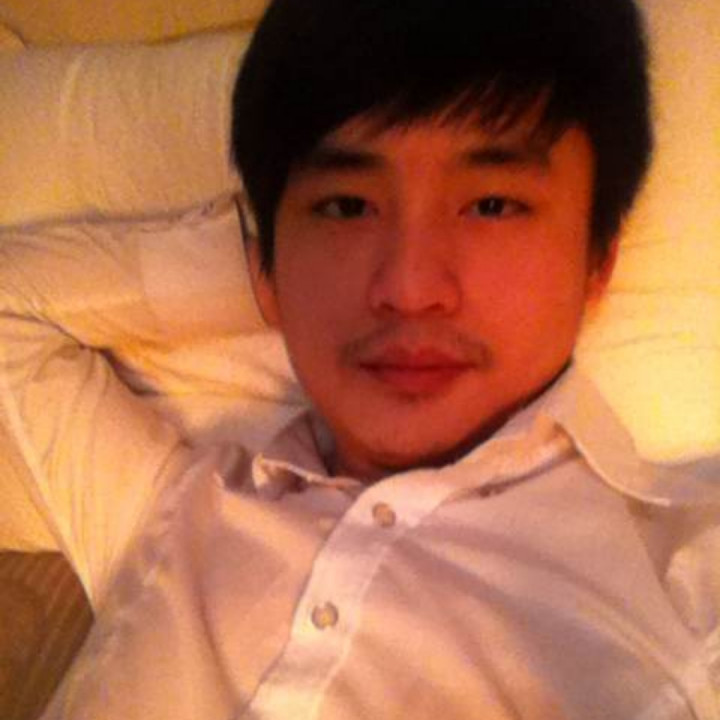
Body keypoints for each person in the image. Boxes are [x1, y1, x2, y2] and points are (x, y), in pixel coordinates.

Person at [0, 0, 718, 718]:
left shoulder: (686, 589)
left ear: (598, 261)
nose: (408, 288)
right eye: (345, 206)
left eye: (492, 205)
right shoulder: (170, 516)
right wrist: (265, 273)